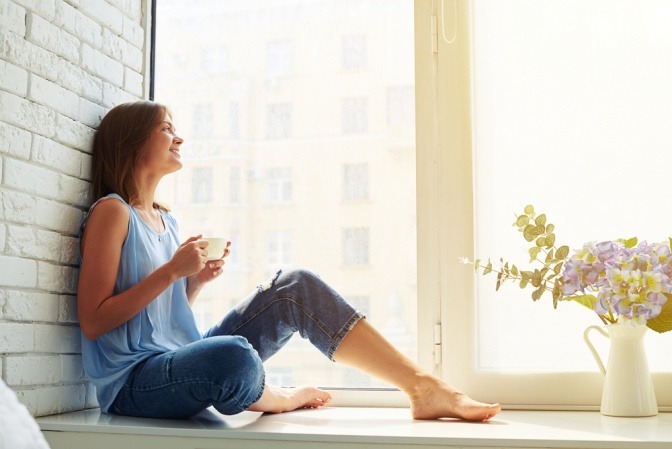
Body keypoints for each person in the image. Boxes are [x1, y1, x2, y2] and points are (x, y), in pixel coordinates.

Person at [77, 100, 501, 421]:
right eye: (167, 129)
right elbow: (95, 321)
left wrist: (195, 280)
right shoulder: (111, 212)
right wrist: (171, 271)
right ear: (132, 144)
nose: (179, 138)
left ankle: (421, 386)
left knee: (293, 286)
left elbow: (160, 320)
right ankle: (275, 395)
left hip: (178, 360)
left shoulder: (166, 222)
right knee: (232, 357)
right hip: (135, 384)